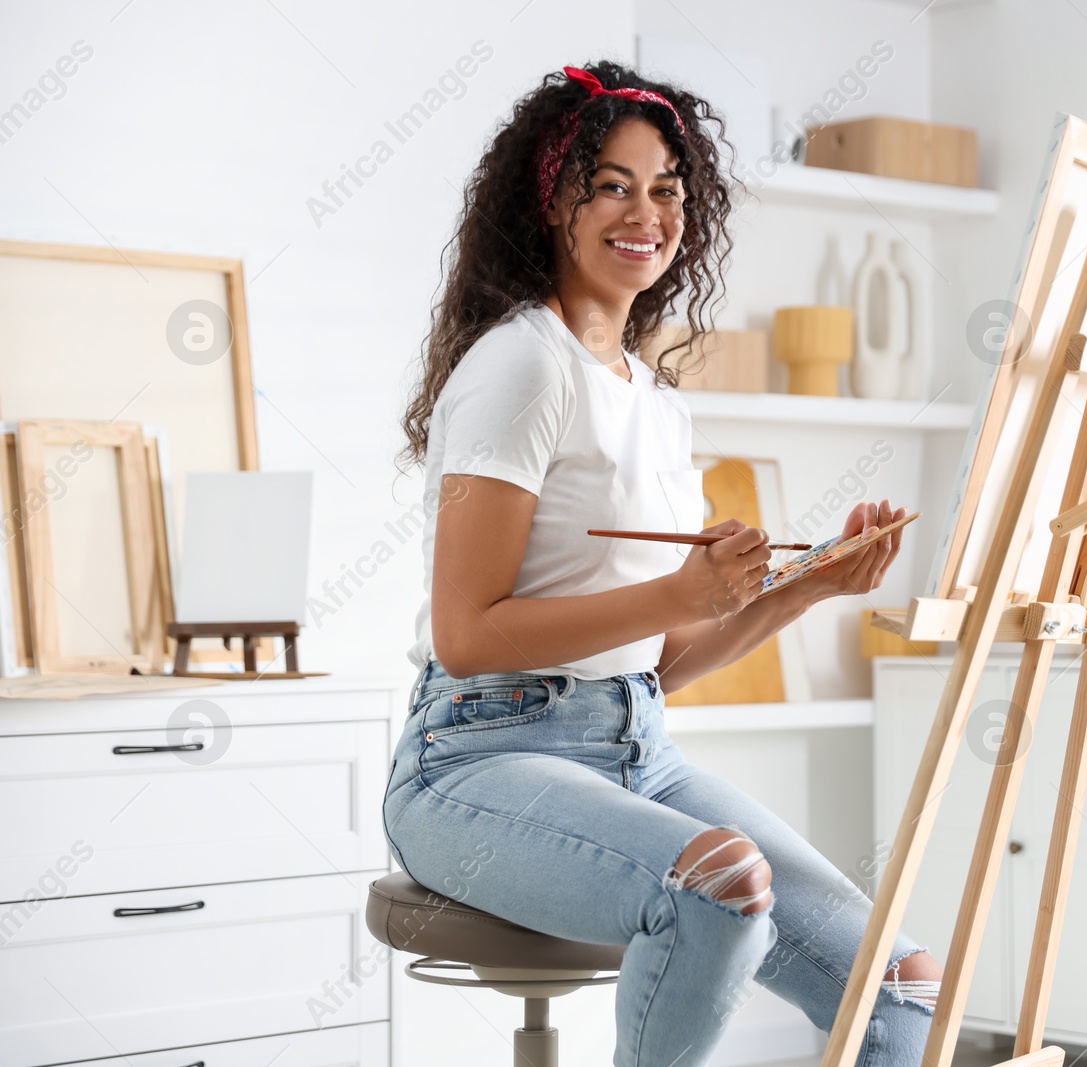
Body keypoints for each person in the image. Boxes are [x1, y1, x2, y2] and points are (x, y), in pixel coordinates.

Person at [384, 61, 941, 1067]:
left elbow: (663, 658)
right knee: (718, 881)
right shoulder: (519, 365)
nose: (645, 211)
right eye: (611, 183)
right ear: (552, 202)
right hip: (475, 757)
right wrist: (676, 590)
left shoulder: (654, 397)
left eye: (667, 189)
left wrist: (804, 586)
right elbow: (467, 634)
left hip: (636, 745)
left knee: (899, 988)